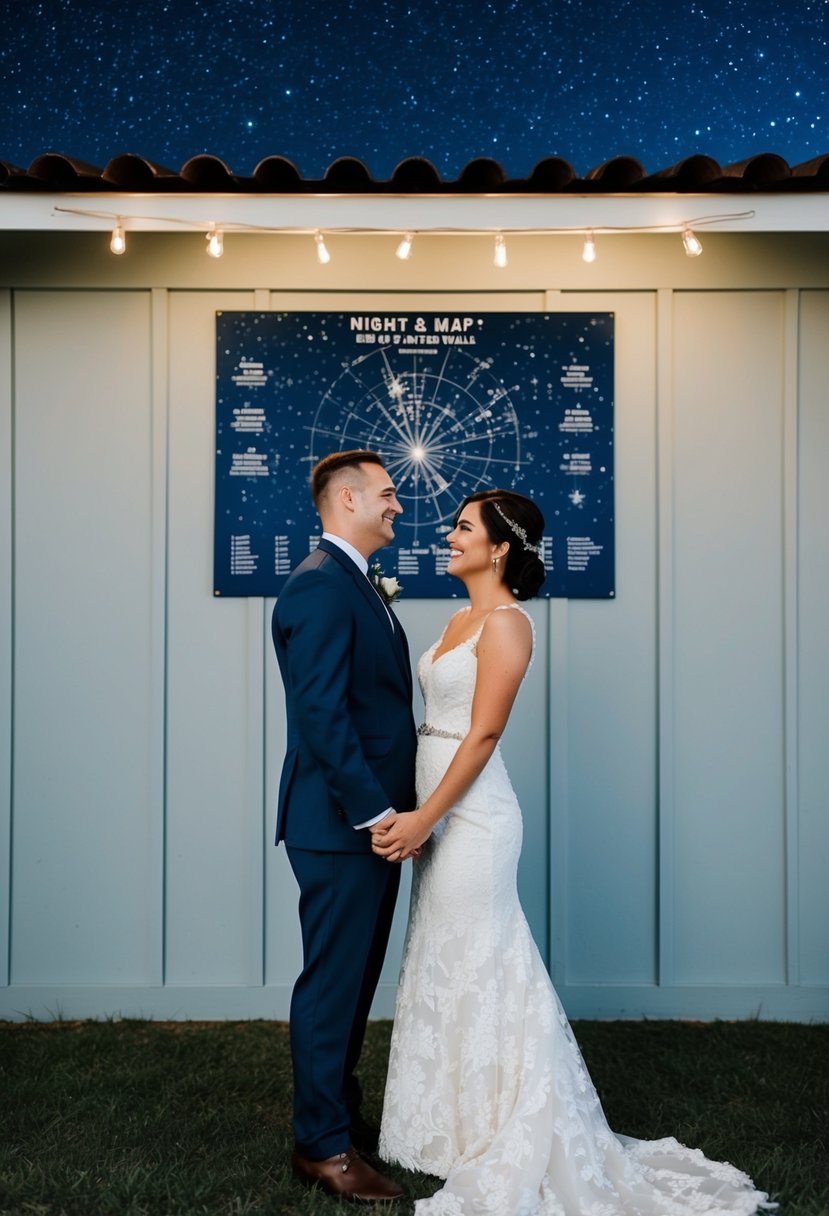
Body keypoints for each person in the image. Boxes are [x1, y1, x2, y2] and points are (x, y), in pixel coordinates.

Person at [372, 488, 774, 1216]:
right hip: (435, 810)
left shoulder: (508, 624)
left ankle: (508, 1127)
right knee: (441, 958)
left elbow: (484, 735)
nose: (448, 534)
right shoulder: (456, 618)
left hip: (472, 819)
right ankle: (443, 1130)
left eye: (462, 527)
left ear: (498, 548)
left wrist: (425, 816)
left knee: (481, 960)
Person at [271, 449, 417, 1203]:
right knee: (332, 984)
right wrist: (377, 814)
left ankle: (337, 1115)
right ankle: (321, 1147)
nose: (398, 505)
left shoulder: (352, 583)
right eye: (388, 494)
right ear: (349, 499)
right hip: (342, 824)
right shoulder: (323, 588)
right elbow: (323, 717)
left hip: (364, 825)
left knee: (353, 979)